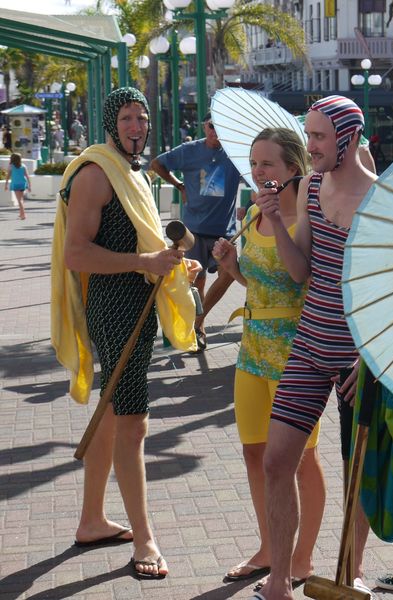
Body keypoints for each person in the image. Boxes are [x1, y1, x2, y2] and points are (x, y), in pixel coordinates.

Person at [50, 87, 200, 579]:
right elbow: (76, 253)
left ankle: (92, 521)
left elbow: (143, 246)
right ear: (111, 124)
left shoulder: (132, 172)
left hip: (137, 305)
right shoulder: (97, 174)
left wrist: (173, 267)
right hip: (114, 313)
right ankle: (145, 540)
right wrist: (144, 262)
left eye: (142, 118)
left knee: (113, 415)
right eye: (127, 118)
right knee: (133, 422)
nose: (137, 126)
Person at [252, 95, 377, 600]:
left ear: (347, 140)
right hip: (309, 343)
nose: (311, 145)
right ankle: (280, 580)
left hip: (359, 356)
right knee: (276, 462)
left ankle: (352, 571)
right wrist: (277, 222)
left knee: (357, 472)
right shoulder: (311, 187)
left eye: (320, 136)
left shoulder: (381, 199)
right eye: (309, 134)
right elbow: (302, 270)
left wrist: (372, 357)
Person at [211, 127, 325, 584]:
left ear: (292, 168)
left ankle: (302, 557)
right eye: (254, 164)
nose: (258, 172)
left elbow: (299, 280)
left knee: (302, 461)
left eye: (268, 164)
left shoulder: (306, 216)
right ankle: (268, 546)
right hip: (252, 351)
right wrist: (231, 267)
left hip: (296, 356)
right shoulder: (253, 213)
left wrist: (278, 219)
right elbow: (259, 284)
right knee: (253, 454)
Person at [151, 112, 241, 351]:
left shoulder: (237, 154)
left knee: (229, 274)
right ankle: (197, 329)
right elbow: (157, 164)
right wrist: (179, 185)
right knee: (197, 281)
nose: (215, 131)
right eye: (212, 125)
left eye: (221, 127)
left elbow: (257, 174)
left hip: (224, 231)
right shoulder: (189, 150)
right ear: (204, 126)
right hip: (194, 231)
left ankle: (199, 321)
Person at [4, 152, 31, 220]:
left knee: (19, 200)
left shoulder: (11, 166)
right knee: (21, 199)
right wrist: (29, 186)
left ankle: (23, 215)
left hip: (16, 184)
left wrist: (6, 185)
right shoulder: (23, 166)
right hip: (22, 184)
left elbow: (8, 176)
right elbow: (27, 176)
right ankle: (21, 213)